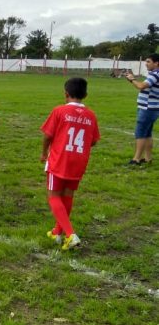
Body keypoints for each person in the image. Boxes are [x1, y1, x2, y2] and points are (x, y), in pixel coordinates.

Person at [41, 77, 100, 250]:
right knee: (67, 195)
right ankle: (57, 232)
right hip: (79, 161)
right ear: (86, 95)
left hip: (60, 159)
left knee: (54, 196)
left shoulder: (59, 111)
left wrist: (44, 152)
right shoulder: (91, 114)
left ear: (66, 94)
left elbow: (47, 135)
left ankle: (70, 234)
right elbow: (94, 141)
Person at [125, 54, 159, 165]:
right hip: (151, 108)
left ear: (156, 63)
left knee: (140, 132)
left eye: (148, 61)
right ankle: (148, 158)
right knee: (147, 133)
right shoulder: (154, 74)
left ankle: (136, 159)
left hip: (148, 108)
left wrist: (132, 79)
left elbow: (141, 86)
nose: (146, 63)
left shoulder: (155, 74)